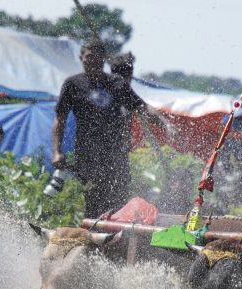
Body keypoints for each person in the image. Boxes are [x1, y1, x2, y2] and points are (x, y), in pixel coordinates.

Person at [51, 39, 169, 218]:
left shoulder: (117, 83)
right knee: (93, 204)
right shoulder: (72, 85)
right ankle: (94, 241)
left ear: (103, 59)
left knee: (119, 204)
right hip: (88, 156)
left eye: (97, 57)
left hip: (116, 156)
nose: (92, 61)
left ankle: (115, 242)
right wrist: (56, 151)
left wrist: (163, 123)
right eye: (88, 57)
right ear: (81, 58)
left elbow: (142, 107)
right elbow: (60, 120)